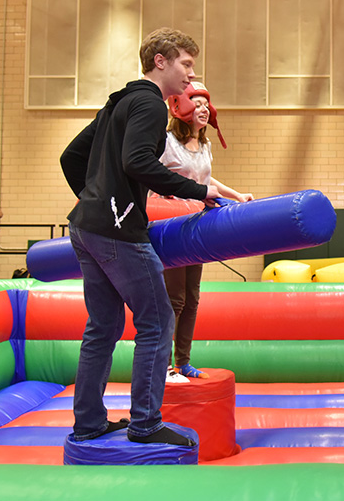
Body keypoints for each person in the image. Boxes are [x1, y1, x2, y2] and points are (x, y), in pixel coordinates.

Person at [60, 27, 222, 447]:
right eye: (186, 64)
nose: (191, 76)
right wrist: (200, 191)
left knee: (103, 327)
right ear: (161, 62)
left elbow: (71, 156)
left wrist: (94, 200)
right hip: (117, 232)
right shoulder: (149, 103)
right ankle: (146, 423)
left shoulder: (119, 101)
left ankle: (89, 423)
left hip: (87, 226)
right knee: (157, 321)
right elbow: (137, 162)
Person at [160, 81, 253, 382]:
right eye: (195, 103)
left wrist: (237, 195)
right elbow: (151, 176)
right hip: (171, 228)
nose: (202, 109)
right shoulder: (167, 143)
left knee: (191, 298)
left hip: (196, 228)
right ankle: (164, 365)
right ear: (181, 108)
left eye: (205, 104)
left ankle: (184, 362)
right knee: (174, 298)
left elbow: (208, 180)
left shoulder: (205, 146)